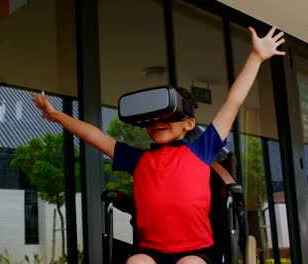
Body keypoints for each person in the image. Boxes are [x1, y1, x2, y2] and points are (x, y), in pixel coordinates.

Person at [32, 25, 285, 264]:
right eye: (152, 119)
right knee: (136, 262)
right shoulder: (138, 160)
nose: (157, 122)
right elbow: (96, 135)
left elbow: (233, 102)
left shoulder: (201, 149)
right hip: (151, 252)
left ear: (188, 124)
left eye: (167, 116)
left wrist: (256, 56)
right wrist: (56, 116)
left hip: (198, 251)